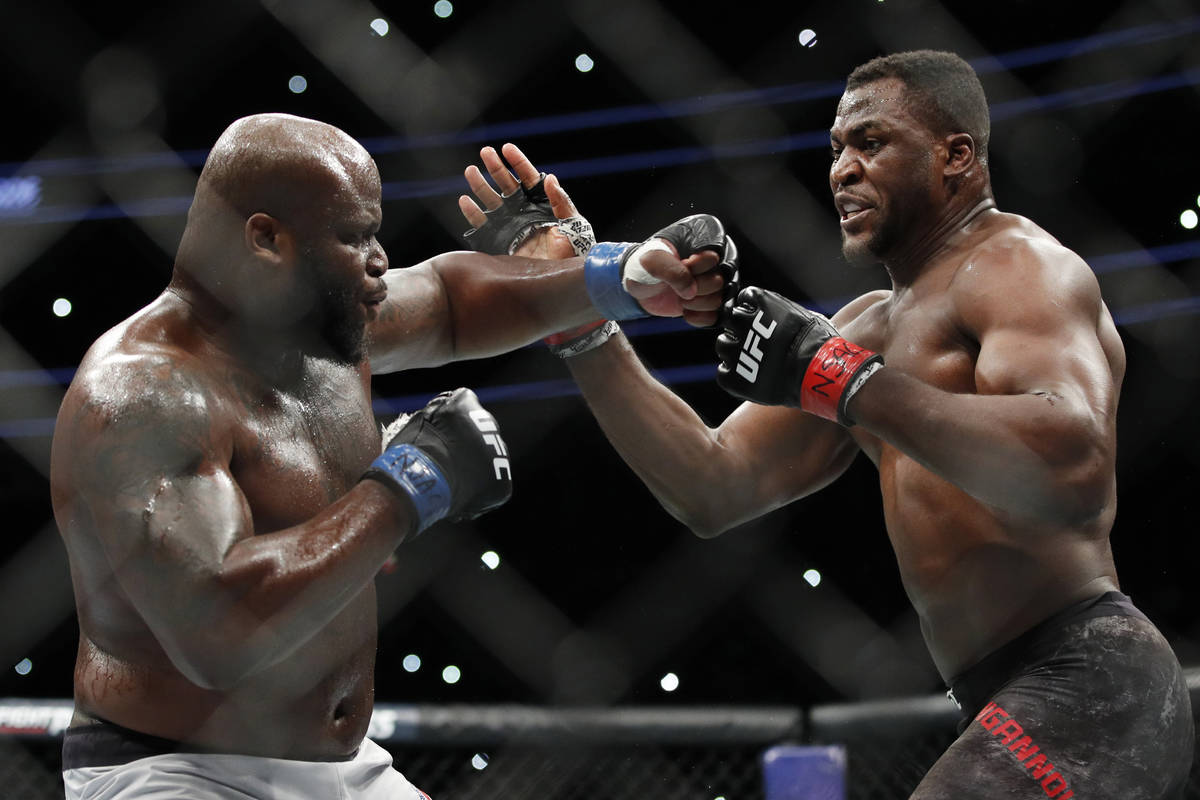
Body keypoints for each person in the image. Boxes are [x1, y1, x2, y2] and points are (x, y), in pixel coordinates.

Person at [459, 51, 1193, 797]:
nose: (842, 170)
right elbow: (713, 485)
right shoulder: (864, 329)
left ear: (956, 156)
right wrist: (579, 314)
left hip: (1091, 674)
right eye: (836, 149)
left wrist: (845, 381)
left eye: (871, 143)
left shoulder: (1017, 267)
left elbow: (1073, 465)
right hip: (1000, 694)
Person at [49, 112, 733, 799]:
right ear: (265, 239)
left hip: (346, 768)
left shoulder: (321, 328)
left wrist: (619, 275)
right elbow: (213, 635)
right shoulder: (145, 393)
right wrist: (405, 484)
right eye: (353, 238)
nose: (380, 260)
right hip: (174, 771)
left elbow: (448, 300)